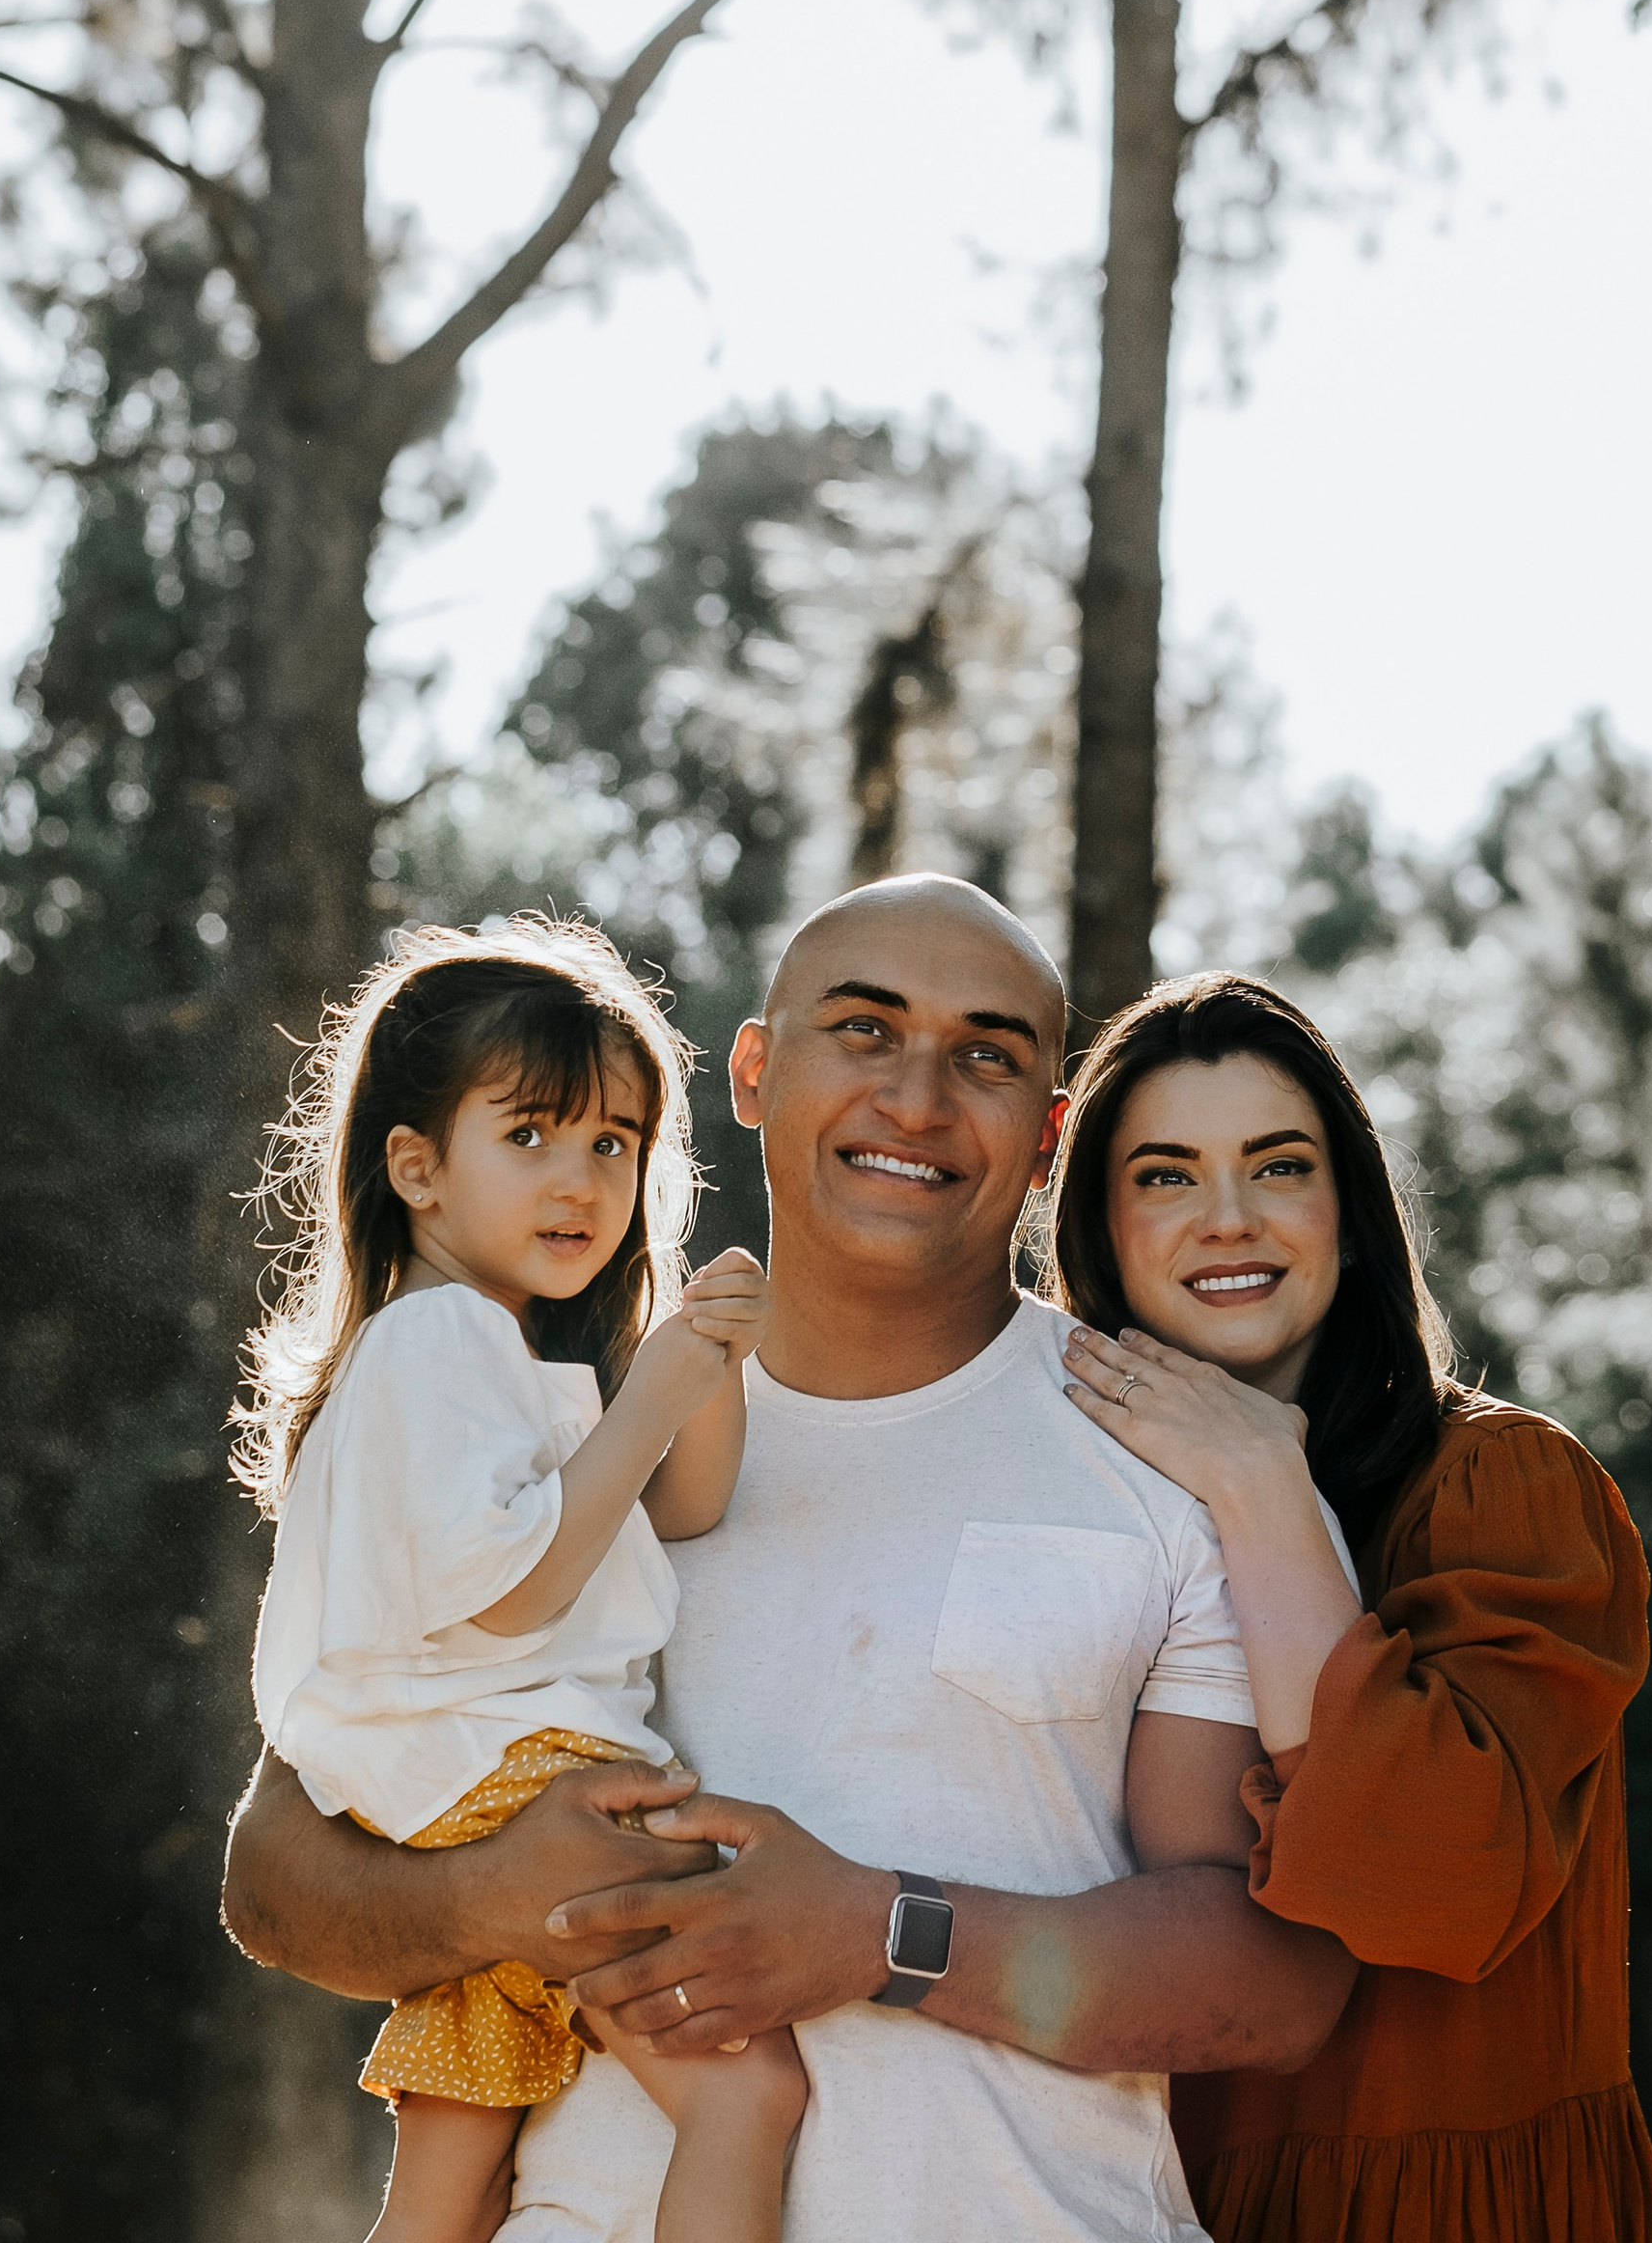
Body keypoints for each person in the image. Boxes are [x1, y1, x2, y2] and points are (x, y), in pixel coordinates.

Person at [222, 876, 1354, 2243]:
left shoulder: (1165, 1450)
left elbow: (1271, 1980)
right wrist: (484, 1898)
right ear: (754, 1071)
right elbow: (278, 1876)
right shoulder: (555, 1416)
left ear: (1051, 1136)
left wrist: (886, 1932)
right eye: (863, 1031)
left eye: (988, 1057)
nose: (919, 1101)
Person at [1050, 971, 1652, 2243]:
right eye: (1166, 1176)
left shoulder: (1504, 1492)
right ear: (1101, 1230)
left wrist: (1261, 1478)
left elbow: (1430, 1884)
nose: (1228, 1218)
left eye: (1278, 1167)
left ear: (1349, 1209)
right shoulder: (1060, 1527)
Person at [232, 917, 806, 2243]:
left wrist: (694, 1361)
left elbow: (689, 1504)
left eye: (615, 1143)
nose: (584, 1179)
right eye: (533, 1134)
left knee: (454, 2166)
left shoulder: (498, 1362)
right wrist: (652, 1391)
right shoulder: (439, 1340)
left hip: (456, 1790)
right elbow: (515, 1595)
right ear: (418, 1169)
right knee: (748, 2095)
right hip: (523, 1770)